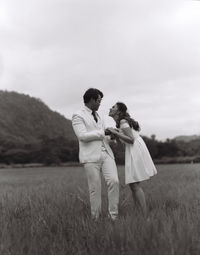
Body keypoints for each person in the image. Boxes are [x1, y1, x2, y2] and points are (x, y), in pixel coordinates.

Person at [72, 88, 119, 221]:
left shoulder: (99, 115)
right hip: (91, 157)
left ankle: (113, 217)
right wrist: (104, 132)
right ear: (92, 100)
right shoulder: (78, 115)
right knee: (95, 188)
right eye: (98, 101)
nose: (100, 104)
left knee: (114, 181)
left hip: (106, 153)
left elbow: (103, 136)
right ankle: (96, 219)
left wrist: (113, 136)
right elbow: (82, 136)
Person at [107, 102, 157, 218]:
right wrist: (116, 136)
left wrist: (115, 132)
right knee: (133, 184)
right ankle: (140, 214)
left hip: (136, 149)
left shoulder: (123, 122)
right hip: (132, 150)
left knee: (134, 184)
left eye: (113, 107)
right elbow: (122, 147)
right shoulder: (120, 124)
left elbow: (131, 140)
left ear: (119, 111)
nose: (110, 108)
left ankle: (145, 216)